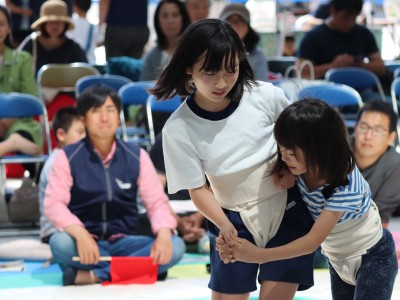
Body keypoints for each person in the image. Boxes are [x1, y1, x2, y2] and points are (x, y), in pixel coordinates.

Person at [152, 19, 315, 299]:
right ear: (189, 68)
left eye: (231, 69)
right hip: (231, 220)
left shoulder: (266, 96)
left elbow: (303, 141)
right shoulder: (178, 128)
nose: (222, 82)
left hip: (286, 208)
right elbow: (197, 189)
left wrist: (292, 170)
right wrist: (224, 226)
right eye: (210, 71)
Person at [220, 98, 398, 300]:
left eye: (292, 154)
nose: (285, 158)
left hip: (374, 255)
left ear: (319, 149)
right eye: (281, 150)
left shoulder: (344, 184)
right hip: (336, 257)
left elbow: (312, 242)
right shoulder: (298, 167)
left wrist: (258, 255)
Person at [43, 85, 185, 286]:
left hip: (126, 242)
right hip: (85, 242)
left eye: (110, 110)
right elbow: (53, 204)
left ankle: (94, 275)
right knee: (60, 244)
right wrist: (81, 234)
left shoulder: (137, 156)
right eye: (96, 111)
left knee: (175, 245)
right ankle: (140, 271)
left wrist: (163, 233)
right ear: (83, 119)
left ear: (119, 118)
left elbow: (156, 202)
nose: (104, 117)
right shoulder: (67, 157)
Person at [296, 0, 386, 80]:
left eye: (353, 18)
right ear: (332, 11)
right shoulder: (313, 36)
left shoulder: (363, 33)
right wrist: (333, 66)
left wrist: (360, 65)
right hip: (324, 90)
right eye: (345, 17)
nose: (350, 23)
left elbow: (381, 68)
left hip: (362, 90)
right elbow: (301, 72)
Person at [0, 4, 42, 176]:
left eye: (1, 24)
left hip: (17, 122)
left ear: (9, 27)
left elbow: (31, 97)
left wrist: (4, 122)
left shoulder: (23, 59)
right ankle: (10, 144)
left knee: (25, 134)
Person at [149, 133, 207, 252]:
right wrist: (178, 222)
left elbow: (221, 188)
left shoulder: (213, 138)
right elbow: (155, 193)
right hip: (171, 208)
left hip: (207, 206)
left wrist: (199, 216)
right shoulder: (165, 138)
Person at [39, 107, 86, 243]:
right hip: (55, 230)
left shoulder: (78, 157)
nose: (85, 138)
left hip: (76, 225)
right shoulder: (55, 162)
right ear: (61, 134)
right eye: (80, 132)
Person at [353, 100, 400, 228]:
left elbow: (380, 219)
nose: (368, 136)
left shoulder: (396, 166)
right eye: (363, 126)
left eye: (377, 130)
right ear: (355, 128)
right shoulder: (337, 151)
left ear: (391, 138)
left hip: (365, 231)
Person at [19, 0, 87, 74]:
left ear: (65, 24)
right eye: (50, 22)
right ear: (43, 24)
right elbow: (17, 67)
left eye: (59, 21)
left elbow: (85, 72)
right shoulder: (31, 43)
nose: (55, 26)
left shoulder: (74, 47)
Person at [140, 0, 190, 81]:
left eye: (175, 15)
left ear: (183, 18)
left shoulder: (195, 51)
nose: (170, 21)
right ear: (158, 21)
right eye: (165, 16)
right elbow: (143, 88)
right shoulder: (151, 56)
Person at [219, 3, 268, 82]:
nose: (234, 26)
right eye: (229, 21)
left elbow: (262, 86)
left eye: (240, 21)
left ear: (248, 26)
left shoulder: (257, 55)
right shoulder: (212, 51)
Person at [68, 0, 99, 64]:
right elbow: (99, 41)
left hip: (73, 63)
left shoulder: (69, 24)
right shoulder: (94, 26)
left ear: (74, 7)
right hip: (90, 62)